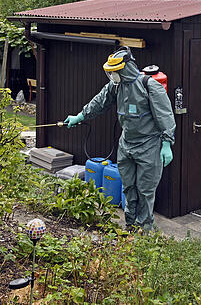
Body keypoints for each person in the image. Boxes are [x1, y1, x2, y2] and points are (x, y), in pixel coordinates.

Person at [64, 47, 175, 232]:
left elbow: (165, 116)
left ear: (125, 68)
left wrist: (166, 143)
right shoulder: (116, 86)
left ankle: (145, 229)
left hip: (149, 146)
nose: (112, 75)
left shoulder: (149, 86)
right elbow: (99, 102)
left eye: (114, 72)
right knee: (128, 188)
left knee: (145, 191)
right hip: (127, 144)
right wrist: (80, 116)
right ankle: (131, 226)